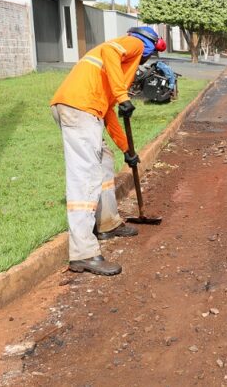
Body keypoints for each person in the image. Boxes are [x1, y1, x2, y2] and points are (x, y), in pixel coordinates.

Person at [50, 26, 166, 276]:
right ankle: (84, 254)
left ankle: (107, 224)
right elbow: (111, 51)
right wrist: (124, 96)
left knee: (104, 162)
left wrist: (127, 149)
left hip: (83, 108)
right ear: (147, 46)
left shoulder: (113, 70)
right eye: (151, 53)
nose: (147, 59)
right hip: (80, 107)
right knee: (85, 179)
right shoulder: (131, 45)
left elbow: (109, 114)